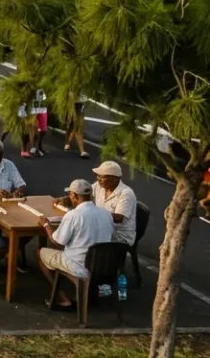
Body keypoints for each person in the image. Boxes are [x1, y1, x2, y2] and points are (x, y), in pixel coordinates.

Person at [38, 179, 114, 311]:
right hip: (102, 266)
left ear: (74, 195)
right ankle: (87, 291)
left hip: (79, 265)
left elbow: (57, 241)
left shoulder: (73, 215)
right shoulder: (106, 214)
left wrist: (46, 226)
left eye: (70, 195)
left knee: (40, 252)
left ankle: (63, 298)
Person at [91, 161, 137, 246]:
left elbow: (119, 218)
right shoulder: (98, 186)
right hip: (103, 228)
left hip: (120, 236)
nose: (98, 179)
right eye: (98, 176)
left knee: (86, 234)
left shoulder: (126, 193)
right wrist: (67, 199)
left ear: (114, 178)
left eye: (102, 177)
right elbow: (84, 194)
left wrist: (94, 213)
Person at [63, 92, 90, 159]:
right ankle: (68, 143)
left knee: (77, 126)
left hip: (79, 101)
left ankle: (82, 151)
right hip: (69, 101)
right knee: (69, 125)